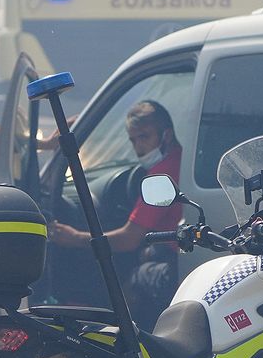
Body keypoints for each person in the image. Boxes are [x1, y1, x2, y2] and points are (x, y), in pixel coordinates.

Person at [48, 100, 184, 330]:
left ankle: (138, 349)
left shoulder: (163, 175)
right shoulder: (179, 160)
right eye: (134, 140)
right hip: (175, 253)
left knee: (130, 287)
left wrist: (75, 238)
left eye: (145, 137)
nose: (139, 147)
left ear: (166, 135)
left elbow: (128, 239)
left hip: (175, 266)